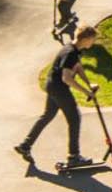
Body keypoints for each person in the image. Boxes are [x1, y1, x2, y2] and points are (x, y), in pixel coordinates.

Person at [16, 26, 101, 170]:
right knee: (75, 118)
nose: (93, 42)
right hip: (59, 87)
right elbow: (67, 78)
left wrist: (89, 84)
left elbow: (78, 68)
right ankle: (74, 156)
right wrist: (87, 92)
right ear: (86, 39)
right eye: (93, 39)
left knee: (48, 115)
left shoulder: (74, 49)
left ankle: (25, 145)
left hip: (52, 86)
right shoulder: (70, 53)